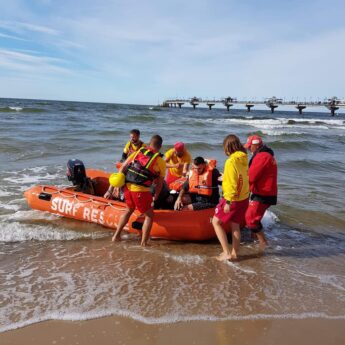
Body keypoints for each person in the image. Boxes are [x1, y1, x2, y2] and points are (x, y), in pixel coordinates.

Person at [110, 135, 166, 246]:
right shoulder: (160, 161)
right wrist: (156, 197)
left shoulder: (139, 151)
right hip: (141, 191)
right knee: (149, 215)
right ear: (160, 147)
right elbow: (159, 184)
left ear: (150, 144)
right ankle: (144, 243)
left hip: (127, 188)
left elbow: (123, 166)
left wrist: (117, 186)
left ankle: (116, 236)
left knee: (128, 210)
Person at [212, 135, 249, 261]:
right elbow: (241, 177)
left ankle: (226, 253)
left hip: (232, 199)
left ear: (228, 147)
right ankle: (234, 254)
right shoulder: (243, 158)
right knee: (235, 226)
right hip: (243, 198)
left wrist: (228, 201)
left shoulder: (230, 161)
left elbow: (233, 184)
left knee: (215, 222)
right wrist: (225, 177)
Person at [244, 135, 278, 251]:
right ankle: (253, 239)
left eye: (250, 146)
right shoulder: (266, 155)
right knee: (254, 218)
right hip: (266, 192)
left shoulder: (262, 157)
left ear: (257, 145)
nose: (249, 149)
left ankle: (263, 243)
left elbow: (251, 177)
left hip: (263, 193)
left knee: (250, 218)